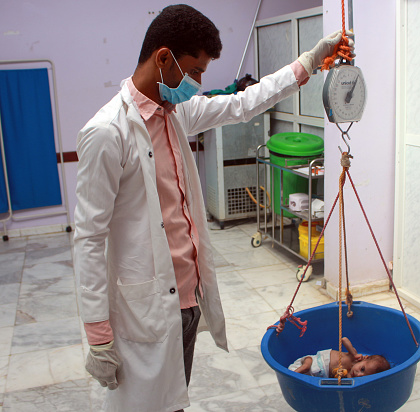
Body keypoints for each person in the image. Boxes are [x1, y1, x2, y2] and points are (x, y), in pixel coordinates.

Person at [73, 4, 354, 412]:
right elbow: (88, 238)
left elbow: (244, 102)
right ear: (163, 58)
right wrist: (98, 335)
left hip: (186, 303)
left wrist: (310, 61)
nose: (199, 83)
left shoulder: (176, 114)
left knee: (173, 398)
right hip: (144, 309)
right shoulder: (106, 132)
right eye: (195, 71)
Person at [289, 337, 390, 378]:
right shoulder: (353, 356)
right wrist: (353, 353)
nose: (358, 374)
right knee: (306, 367)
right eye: (362, 369)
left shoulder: (350, 375)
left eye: (362, 376)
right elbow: (344, 339)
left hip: (317, 373)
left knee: (306, 379)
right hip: (314, 360)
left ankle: (295, 376)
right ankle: (291, 375)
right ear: (365, 358)